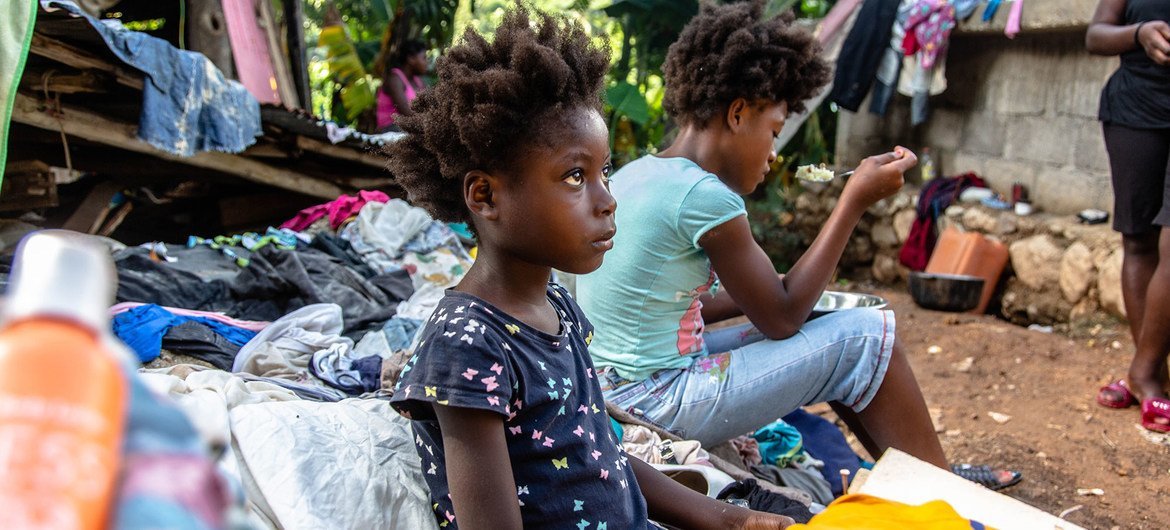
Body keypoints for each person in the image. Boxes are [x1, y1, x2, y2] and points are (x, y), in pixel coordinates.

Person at [577, 0, 1020, 489]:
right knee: (867, 335)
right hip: (652, 402)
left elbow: (682, 306)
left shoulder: (643, 172)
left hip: (612, 388)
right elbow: (781, 317)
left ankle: (915, 472)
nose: (772, 153)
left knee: (829, 324)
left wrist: (791, 294)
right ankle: (944, 486)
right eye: (773, 132)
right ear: (738, 113)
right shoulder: (704, 196)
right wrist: (853, 202)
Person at [386, 6, 796, 529]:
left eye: (604, 172)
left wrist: (729, 519)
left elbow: (598, 456)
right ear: (485, 195)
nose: (608, 199)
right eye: (575, 176)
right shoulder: (466, 343)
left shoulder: (556, 306)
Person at [1087, 0, 1170, 432]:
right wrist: (1139, 34)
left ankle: (1143, 374)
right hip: (1136, 108)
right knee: (1138, 239)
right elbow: (1096, 34)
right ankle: (1151, 377)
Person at [376, 39, 428, 132]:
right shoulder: (394, 78)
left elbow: (428, 105)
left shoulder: (418, 81)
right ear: (411, 59)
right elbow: (406, 112)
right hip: (391, 128)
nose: (426, 62)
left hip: (410, 126)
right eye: (424, 58)